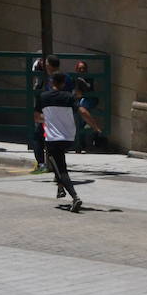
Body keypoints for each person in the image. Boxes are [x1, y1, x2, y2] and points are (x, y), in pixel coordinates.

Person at [37, 72, 84, 212]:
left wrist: (49, 120)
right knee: (57, 164)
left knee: (61, 169)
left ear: (52, 82)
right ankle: (60, 187)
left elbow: (37, 117)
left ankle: (75, 197)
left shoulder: (43, 97)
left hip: (52, 139)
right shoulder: (69, 97)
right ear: (63, 83)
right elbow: (80, 108)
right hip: (68, 138)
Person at [71, 60, 105, 152]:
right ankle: (81, 141)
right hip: (79, 102)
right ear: (76, 69)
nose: (82, 70)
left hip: (89, 100)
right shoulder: (74, 78)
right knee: (79, 116)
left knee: (81, 108)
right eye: (80, 68)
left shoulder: (89, 78)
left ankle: (80, 143)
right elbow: (73, 92)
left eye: (83, 68)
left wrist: (82, 82)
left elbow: (88, 89)